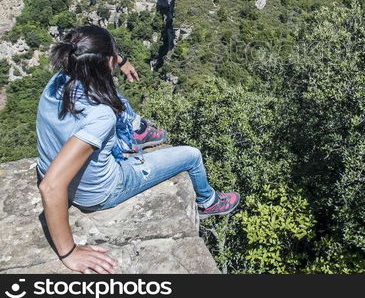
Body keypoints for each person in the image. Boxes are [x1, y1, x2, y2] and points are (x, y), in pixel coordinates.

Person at [35, 25, 240, 274]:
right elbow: (51, 186)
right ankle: (208, 202)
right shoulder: (100, 115)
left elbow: (95, 69)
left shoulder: (57, 82)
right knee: (191, 155)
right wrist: (69, 252)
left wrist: (121, 61)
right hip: (101, 192)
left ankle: (138, 130)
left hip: (59, 167)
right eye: (113, 56)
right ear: (105, 62)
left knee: (116, 98)